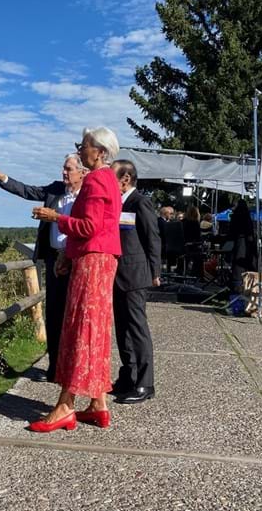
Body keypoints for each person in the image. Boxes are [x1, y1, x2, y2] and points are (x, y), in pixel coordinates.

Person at [28, 127, 122, 432]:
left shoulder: (95, 180)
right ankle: (98, 403)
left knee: (80, 328)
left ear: (100, 152)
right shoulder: (109, 179)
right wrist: (67, 255)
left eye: (84, 146)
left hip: (93, 261)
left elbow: (89, 226)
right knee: (94, 328)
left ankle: (65, 406)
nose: (81, 150)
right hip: (100, 258)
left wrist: (55, 218)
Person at [0, 155, 87, 382]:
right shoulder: (56, 189)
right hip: (53, 260)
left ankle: (74, 369)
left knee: (77, 316)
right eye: (63, 168)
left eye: (68, 169)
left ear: (82, 172)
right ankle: (55, 368)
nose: (64, 173)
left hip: (78, 262)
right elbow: (29, 191)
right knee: (54, 314)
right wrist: (1, 177)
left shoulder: (88, 194)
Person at [110, 160, 161, 404]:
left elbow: (152, 237)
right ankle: (127, 377)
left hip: (135, 274)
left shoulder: (140, 202)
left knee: (137, 329)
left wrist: (155, 271)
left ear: (126, 179)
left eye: (113, 177)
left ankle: (145, 383)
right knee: (122, 329)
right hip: (116, 275)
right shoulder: (115, 203)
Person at [227, 199, 255, 291]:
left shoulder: (236, 216)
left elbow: (231, 231)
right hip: (247, 244)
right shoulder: (247, 217)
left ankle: (237, 284)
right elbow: (250, 232)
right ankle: (246, 284)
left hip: (237, 243)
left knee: (237, 265)